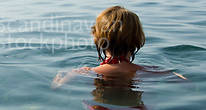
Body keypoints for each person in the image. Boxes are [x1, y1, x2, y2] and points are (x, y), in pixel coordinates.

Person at [51, 5, 187, 89]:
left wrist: (59, 76)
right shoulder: (150, 71)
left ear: (98, 40)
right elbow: (187, 84)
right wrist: (174, 73)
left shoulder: (84, 72)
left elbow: (56, 87)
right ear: (138, 39)